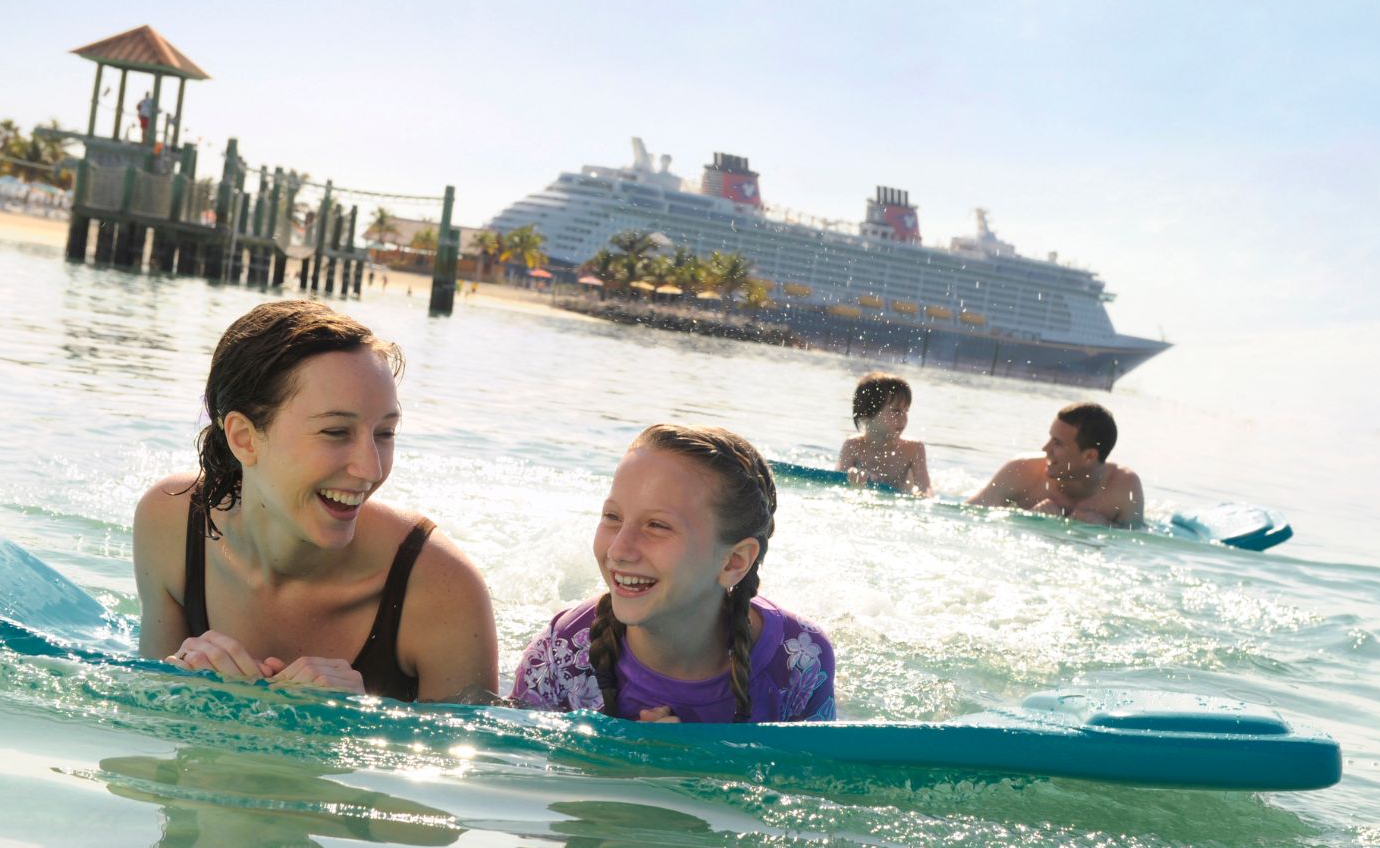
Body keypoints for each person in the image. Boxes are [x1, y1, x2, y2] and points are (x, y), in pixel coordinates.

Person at [133, 300, 497, 702]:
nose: (371, 469)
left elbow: (471, 760)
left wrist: (359, 723)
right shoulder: (171, 522)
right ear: (244, 438)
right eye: (336, 432)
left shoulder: (441, 590)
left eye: (385, 433)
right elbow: (146, 724)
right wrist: (182, 693)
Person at [513, 424, 835, 723]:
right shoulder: (564, 651)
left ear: (733, 562)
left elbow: (813, 781)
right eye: (612, 516)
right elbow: (519, 773)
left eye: (657, 525)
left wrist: (685, 767)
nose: (618, 551)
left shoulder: (798, 660)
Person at [967, 402, 1144, 527]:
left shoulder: (1124, 486)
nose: (1045, 448)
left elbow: (1137, 539)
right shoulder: (1020, 471)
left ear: (1089, 456)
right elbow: (968, 514)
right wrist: (1027, 519)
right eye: (1050, 438)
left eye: (1057, 443)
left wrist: (1106, 528)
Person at [835, 372, 932, 495]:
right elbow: (837, 483)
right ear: (867, 413)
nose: (903, 418)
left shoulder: (913, 449)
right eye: (896, 411)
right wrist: (853, 480)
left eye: (906, 411)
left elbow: (926, 490)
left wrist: (921, 495)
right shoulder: (853, 445)